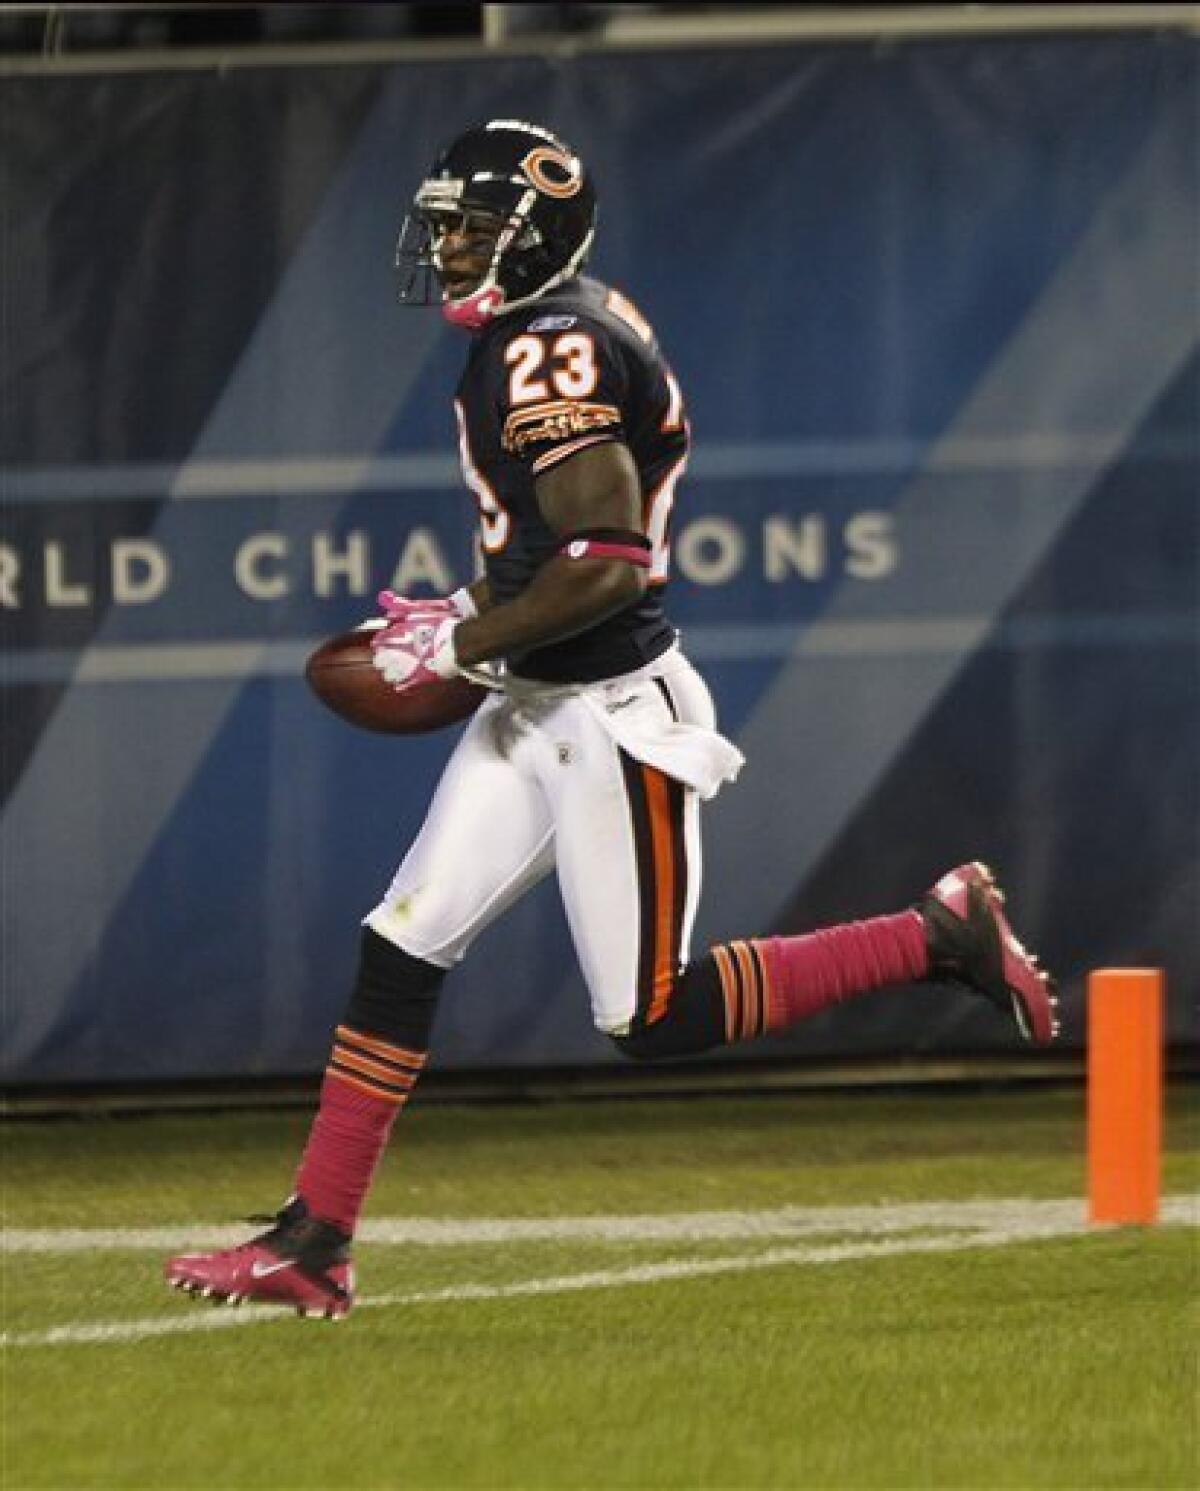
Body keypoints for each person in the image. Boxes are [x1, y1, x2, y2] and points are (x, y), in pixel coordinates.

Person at [165, 120, 1058, 1321]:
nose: (445, 249)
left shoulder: (554, 350)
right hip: (537, 700)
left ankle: (937, 933)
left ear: (534, 239)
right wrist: (472, 610)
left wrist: (462, 641)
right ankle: (316, 1240)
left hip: (608, 718)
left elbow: (607, 566)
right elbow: (545, 551)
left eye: (470, 229)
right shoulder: (550, 325)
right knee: (402, 943)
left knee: (650, 1016)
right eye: (442, 225)